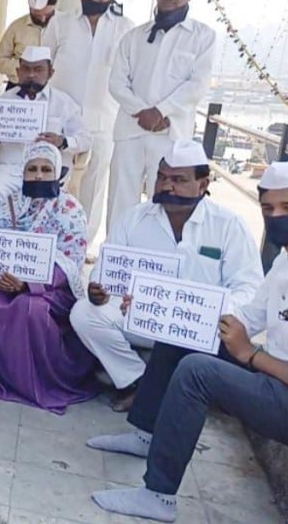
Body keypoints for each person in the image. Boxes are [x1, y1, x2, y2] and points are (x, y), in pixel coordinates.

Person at [89, 160, 288, 522]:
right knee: (180, 336)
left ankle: (159, 496)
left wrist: (251, 356)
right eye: (268, 208)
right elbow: (251, 314)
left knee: (198, 371)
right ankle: (146, 434)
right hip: (281, 379)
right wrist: (165, 309)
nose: (277, 216)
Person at [70, 140, 263, 411]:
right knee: (84, 313)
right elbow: (106, 272)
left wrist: (202, 307)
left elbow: (250, 288)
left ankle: (171, 388)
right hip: (141, 317)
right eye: (161, 177)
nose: (166, 186)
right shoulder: (134, 217)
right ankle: (138, 381)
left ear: (203, 184)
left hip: (196, 325)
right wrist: (99, 291)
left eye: (178, 179)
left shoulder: (228, 226)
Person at [0, 142, 97, 412]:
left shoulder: (70, 208)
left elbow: (71, 262)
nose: (39, 175)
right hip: (9, 278)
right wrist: (7, 276)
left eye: (45, 169)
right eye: (32, 169)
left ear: (57, 173)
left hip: (53, 288)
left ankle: (36, 381)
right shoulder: (9, 204)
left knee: (31, 306)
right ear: (23, 173)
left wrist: (29, 284)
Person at [106, 0, 215, 234]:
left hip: (171, 133)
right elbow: (117, 82)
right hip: (131, 130)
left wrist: (161, 111)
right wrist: (142, 111)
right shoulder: (134, 37)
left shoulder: (203, 37)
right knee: (121, 199)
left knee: (168, 201)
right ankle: (115, 259)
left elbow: (197, 85)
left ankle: (156, 261)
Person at [42, 0, 135, 248]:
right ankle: (50, 245)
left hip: (103, 122)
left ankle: (81, 247)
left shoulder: (125, 28)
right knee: (53, 182)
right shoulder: (61, 22)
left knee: (93, 189)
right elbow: (42, 66)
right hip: (62, 122)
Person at [0, 46, 88, 220]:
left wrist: (63, 141)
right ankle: (1, 239)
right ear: (18, 71)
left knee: (51, 207)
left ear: (50, 72)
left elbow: (86, 139)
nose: (31, 75)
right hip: (9, 170)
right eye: (26, 69)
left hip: (47, 172)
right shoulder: (3, 101)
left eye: (38, 69)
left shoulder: (63, 103)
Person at [0, 0, 57, 90]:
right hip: (18, 89)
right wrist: (23, 68)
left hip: (52, 90)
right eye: (37, 15)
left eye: (47, 15)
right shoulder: (16, 27)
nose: (43, 19)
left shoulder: (64, 26)